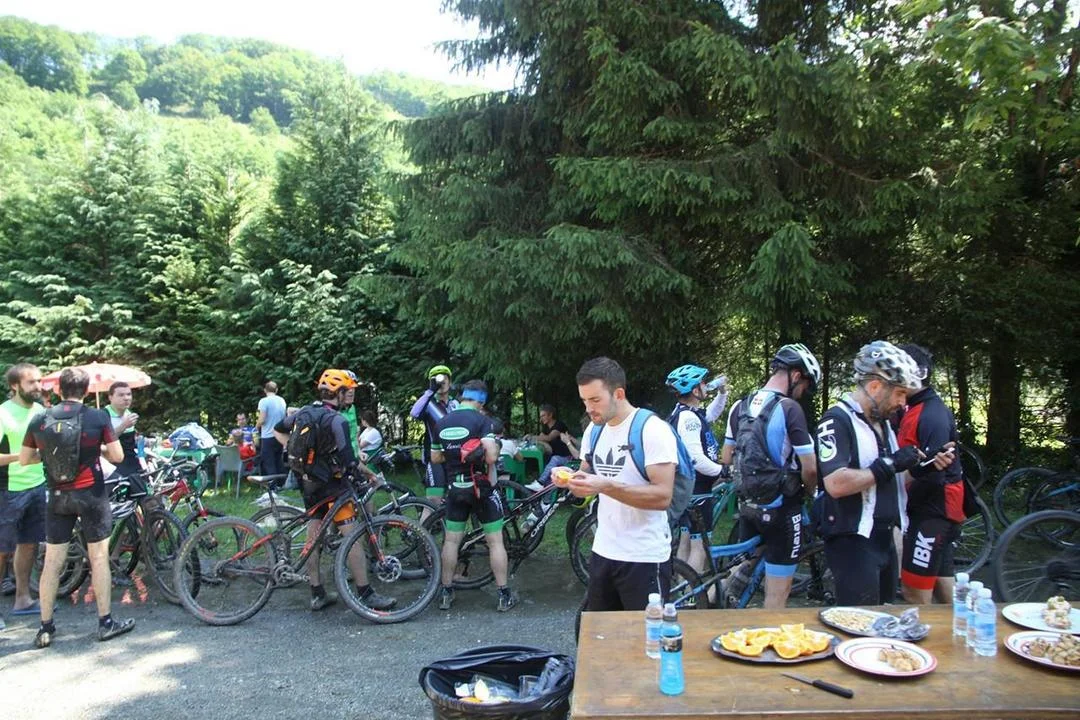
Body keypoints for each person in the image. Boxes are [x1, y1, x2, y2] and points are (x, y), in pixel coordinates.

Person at [815, 341, 955, 606]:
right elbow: (835, 483)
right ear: (875, 387)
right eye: (899, 393)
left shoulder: (883, 424)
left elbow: (891, 477)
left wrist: (924, 467)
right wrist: (890, 463)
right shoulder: (836, 421)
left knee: (885, 618)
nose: (903, 402)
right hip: (853, 543)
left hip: (885, 538)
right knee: (860, 622)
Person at [20, 366, 134, 647]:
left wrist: (50, 453)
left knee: (52, 562)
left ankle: (45, 628)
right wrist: (97, 449)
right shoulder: (97, 417)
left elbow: (25, 459)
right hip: (91, 495)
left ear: (59, 390)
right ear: (86, 391)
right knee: (99, 558)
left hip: (57, 496)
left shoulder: (40, 418)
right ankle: (105, 623)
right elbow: (117, 456)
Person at [272, 369, 393, 612]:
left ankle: (317, 593)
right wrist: (367, 475)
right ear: (338, 393)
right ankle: (366, 593)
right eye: (347, 391)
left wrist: (293, 449)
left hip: (308, 483)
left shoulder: (304, 412)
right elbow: (349, 460)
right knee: (352, 537)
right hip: (333, 485)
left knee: (313, 537)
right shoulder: (337, 420)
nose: (350, 395)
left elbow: (277, 429)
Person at [568, 357, 677, 612]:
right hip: (603, 551)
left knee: (645, 634)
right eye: (584, 401)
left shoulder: (653, 430)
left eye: (595, 400)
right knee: (602, 632)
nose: (589, 408)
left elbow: (662, 497)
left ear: (618, 394)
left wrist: (605, 486)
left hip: (644, 557)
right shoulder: (594, 431)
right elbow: (585, 479)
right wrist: (569, 479)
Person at [720, 345, 820, 609]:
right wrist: (811, 491)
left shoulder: (739, 406)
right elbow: (810, 468)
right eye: (805, 385)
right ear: (796, 375)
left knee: (739, 572)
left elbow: (726, 457)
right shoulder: (790, 409)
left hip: (748, 506)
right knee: (777, 595)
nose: (803, 392)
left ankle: (712, 607)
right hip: (782, 510)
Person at [433, 380, 518, 612]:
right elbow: (491, 457)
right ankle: (503, 595)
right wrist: (493, 446)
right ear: (481, 401)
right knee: (495, 542)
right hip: (481, 489)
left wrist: (454, 455)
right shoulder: (482, 421)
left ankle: (446, 592)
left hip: (455, 488)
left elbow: (435, 458)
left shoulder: (441, 422)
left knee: (451, 541)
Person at [897, 344, 965, 604]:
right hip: (933, 510)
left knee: (914, 592)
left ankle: (926, 633)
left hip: (932, 511)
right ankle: (959, 626)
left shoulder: (930, 414)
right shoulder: (912, 408)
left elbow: (934, 472)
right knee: (942, 585)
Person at [664, 364, 728, 578]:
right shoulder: (689, 419)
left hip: (686, 488)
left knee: (686, 539)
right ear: (694, 389)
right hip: (698, 488)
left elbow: (711, 414)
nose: (705, 385)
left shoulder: (683, 413)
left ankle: (683, 588)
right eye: (702, 382)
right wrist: (723, 470)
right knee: (699, 546)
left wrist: (722, 392)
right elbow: (696, 459)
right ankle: (694, 593)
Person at [0, 363, 48, 623]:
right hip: (8, 489)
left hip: (37, 485)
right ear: (15, 385)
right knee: (2, 548)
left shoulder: (40, 411)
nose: (38, 386)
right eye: (31, 382)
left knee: (29, 544)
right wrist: (23, 456)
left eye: (39, 381)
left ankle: (23, 598)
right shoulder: (3, 413)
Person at [410, 365, 457, 505]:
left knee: (456, 498)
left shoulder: (456, 404)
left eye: (444, 379)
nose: (441, 382)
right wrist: (431, 391)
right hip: (435, 456)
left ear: (450, 382)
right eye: (436, 380)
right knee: (434, 499)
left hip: (454, 455)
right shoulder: (428, 403)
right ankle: (427, 520)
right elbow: (414, 413)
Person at [524, 405, 575, 492]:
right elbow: (541, 437)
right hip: (555, 455)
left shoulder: (559, 425)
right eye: (540, 416)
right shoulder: (546, 428)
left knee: (554, 459)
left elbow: (549, 438)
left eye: (543, 416)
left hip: (567, 457)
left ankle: (540, 483)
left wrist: (532, 437)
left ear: (550, 415)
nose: (541, 419)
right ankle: (540, 486)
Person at [104, 382, 141, 479]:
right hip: (114, 465)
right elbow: (102, 441)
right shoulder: (104, 415)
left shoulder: (129, 413)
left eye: (129, 394)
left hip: (132, 462)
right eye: (121, 395)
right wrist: (124, 426)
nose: (126, 398)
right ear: (110, 397)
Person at [257, 381, 287, 476]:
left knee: (269, 462)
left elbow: (262, 419)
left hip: (267, 436)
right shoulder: (282, 400)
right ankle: (281, 482)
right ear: (276, 390)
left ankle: (272, 483)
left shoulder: (264, 401)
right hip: (280, 435)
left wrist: (256, 427)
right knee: (278, 460)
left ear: (265, 390)